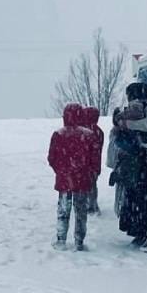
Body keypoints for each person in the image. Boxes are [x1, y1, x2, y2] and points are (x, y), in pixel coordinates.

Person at [117, 83, 147, 253]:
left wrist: (128, 124)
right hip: (142, 161)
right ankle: (140, 231)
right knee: (138, 196)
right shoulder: (141, 108)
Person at [48, 103, 99, 251]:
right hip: (82, 181)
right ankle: (79, 241)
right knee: (81, 212)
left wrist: (61, 171)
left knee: (63, 210)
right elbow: (94, 160)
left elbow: (52, 158)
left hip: (64, 181)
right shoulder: (89, 135)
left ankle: (61, 239)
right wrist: (89, 173)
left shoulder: (58, 134)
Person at [80, 106, 104, 215]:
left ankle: (87, 205)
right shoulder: (99, 131)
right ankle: (92, 204)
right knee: (92, 184)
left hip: (83, 164)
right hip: (95, 163)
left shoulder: (81, 130)